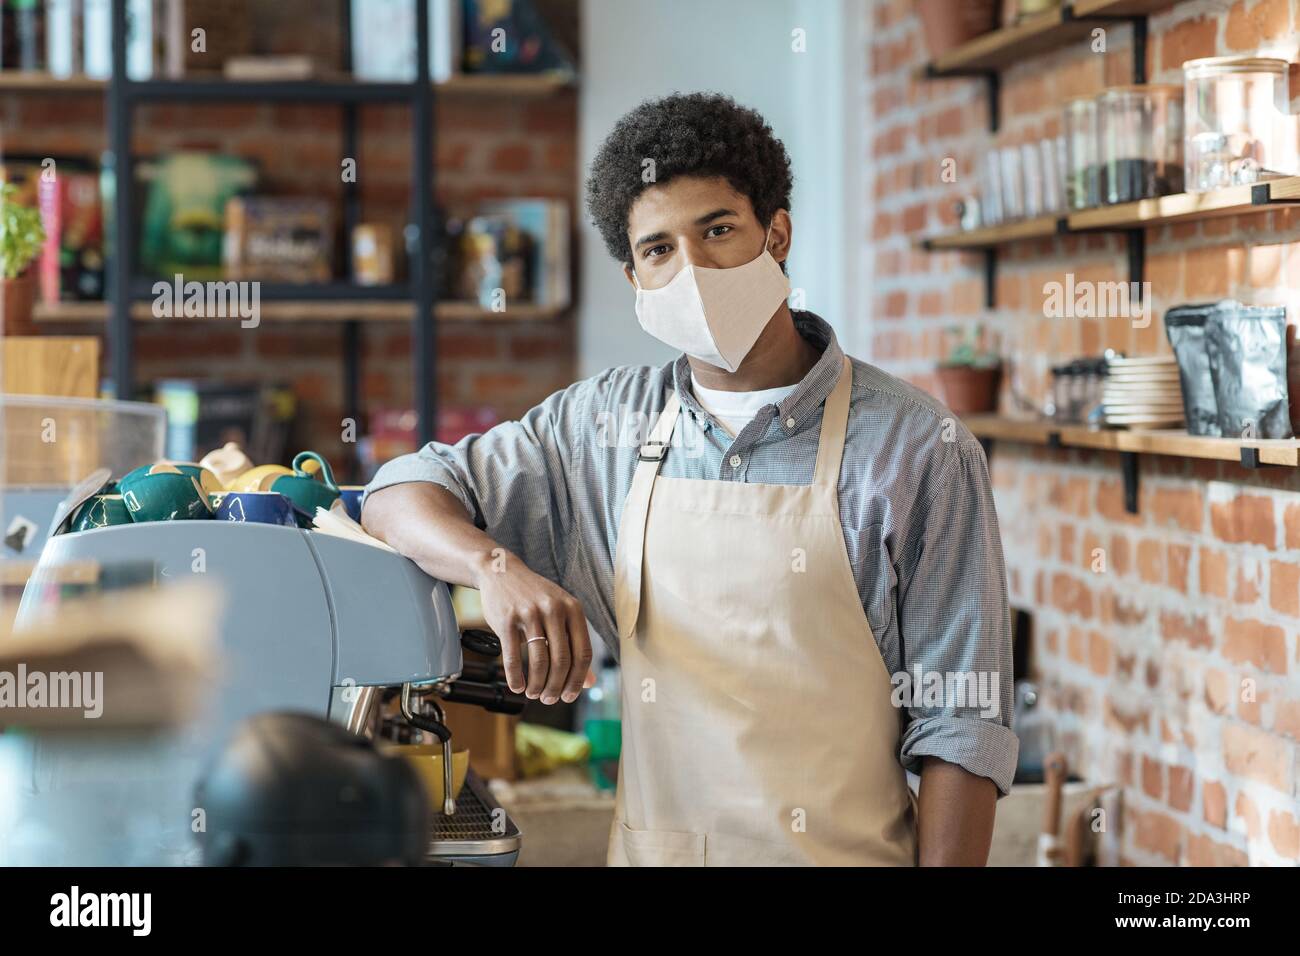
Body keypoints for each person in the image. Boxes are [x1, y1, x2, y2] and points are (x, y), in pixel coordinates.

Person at [362, 92, 1017, 866]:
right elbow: (396, 492)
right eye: (659, 250)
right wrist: (493, 565)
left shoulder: (919, 447)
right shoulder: (599, 428)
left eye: (718, 231)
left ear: (777, 233)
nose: (693, 270)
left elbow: (961, 730)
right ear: (635, 276)